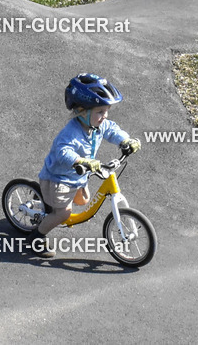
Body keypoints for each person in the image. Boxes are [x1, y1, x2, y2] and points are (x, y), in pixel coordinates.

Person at [30, 74, 140, 258]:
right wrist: (80, 161)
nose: (104, 116)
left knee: (83, 200)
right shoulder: (71, 133)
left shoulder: (97, 125)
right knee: (64, 214)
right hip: (59, 178)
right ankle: (37, 237)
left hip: (78, 176)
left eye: (106, 111)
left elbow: (112, 129)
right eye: (100, 112)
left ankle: (48, 204)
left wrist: (125, 140)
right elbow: (63, 152)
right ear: (82, 111)